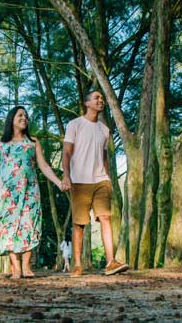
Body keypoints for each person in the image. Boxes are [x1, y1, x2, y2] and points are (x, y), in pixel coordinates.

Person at [0, 106, 62, 279]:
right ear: (12, 118)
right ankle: (16, 267)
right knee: (9, 227)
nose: (24, 118)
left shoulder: (33, 142)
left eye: (26, 116)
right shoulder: (1, 142)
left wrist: (58, 182)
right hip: (6, 193)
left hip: (29, 191)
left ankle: (26, 267)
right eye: (20, 115)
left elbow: (44, 166)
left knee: (28, 225)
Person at [61, 90, 129, 277]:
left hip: (100, 181)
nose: (101, 100)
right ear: (87, 103)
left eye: (102, 98)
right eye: (96, 98)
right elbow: (66, 153)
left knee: (106, 217)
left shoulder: (104, 130)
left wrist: (108, 178)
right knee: (79, 224)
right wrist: (66, 176)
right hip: (79, 181)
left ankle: (110, 262)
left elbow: (104, 156)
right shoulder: (74, 125)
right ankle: (77, 265)